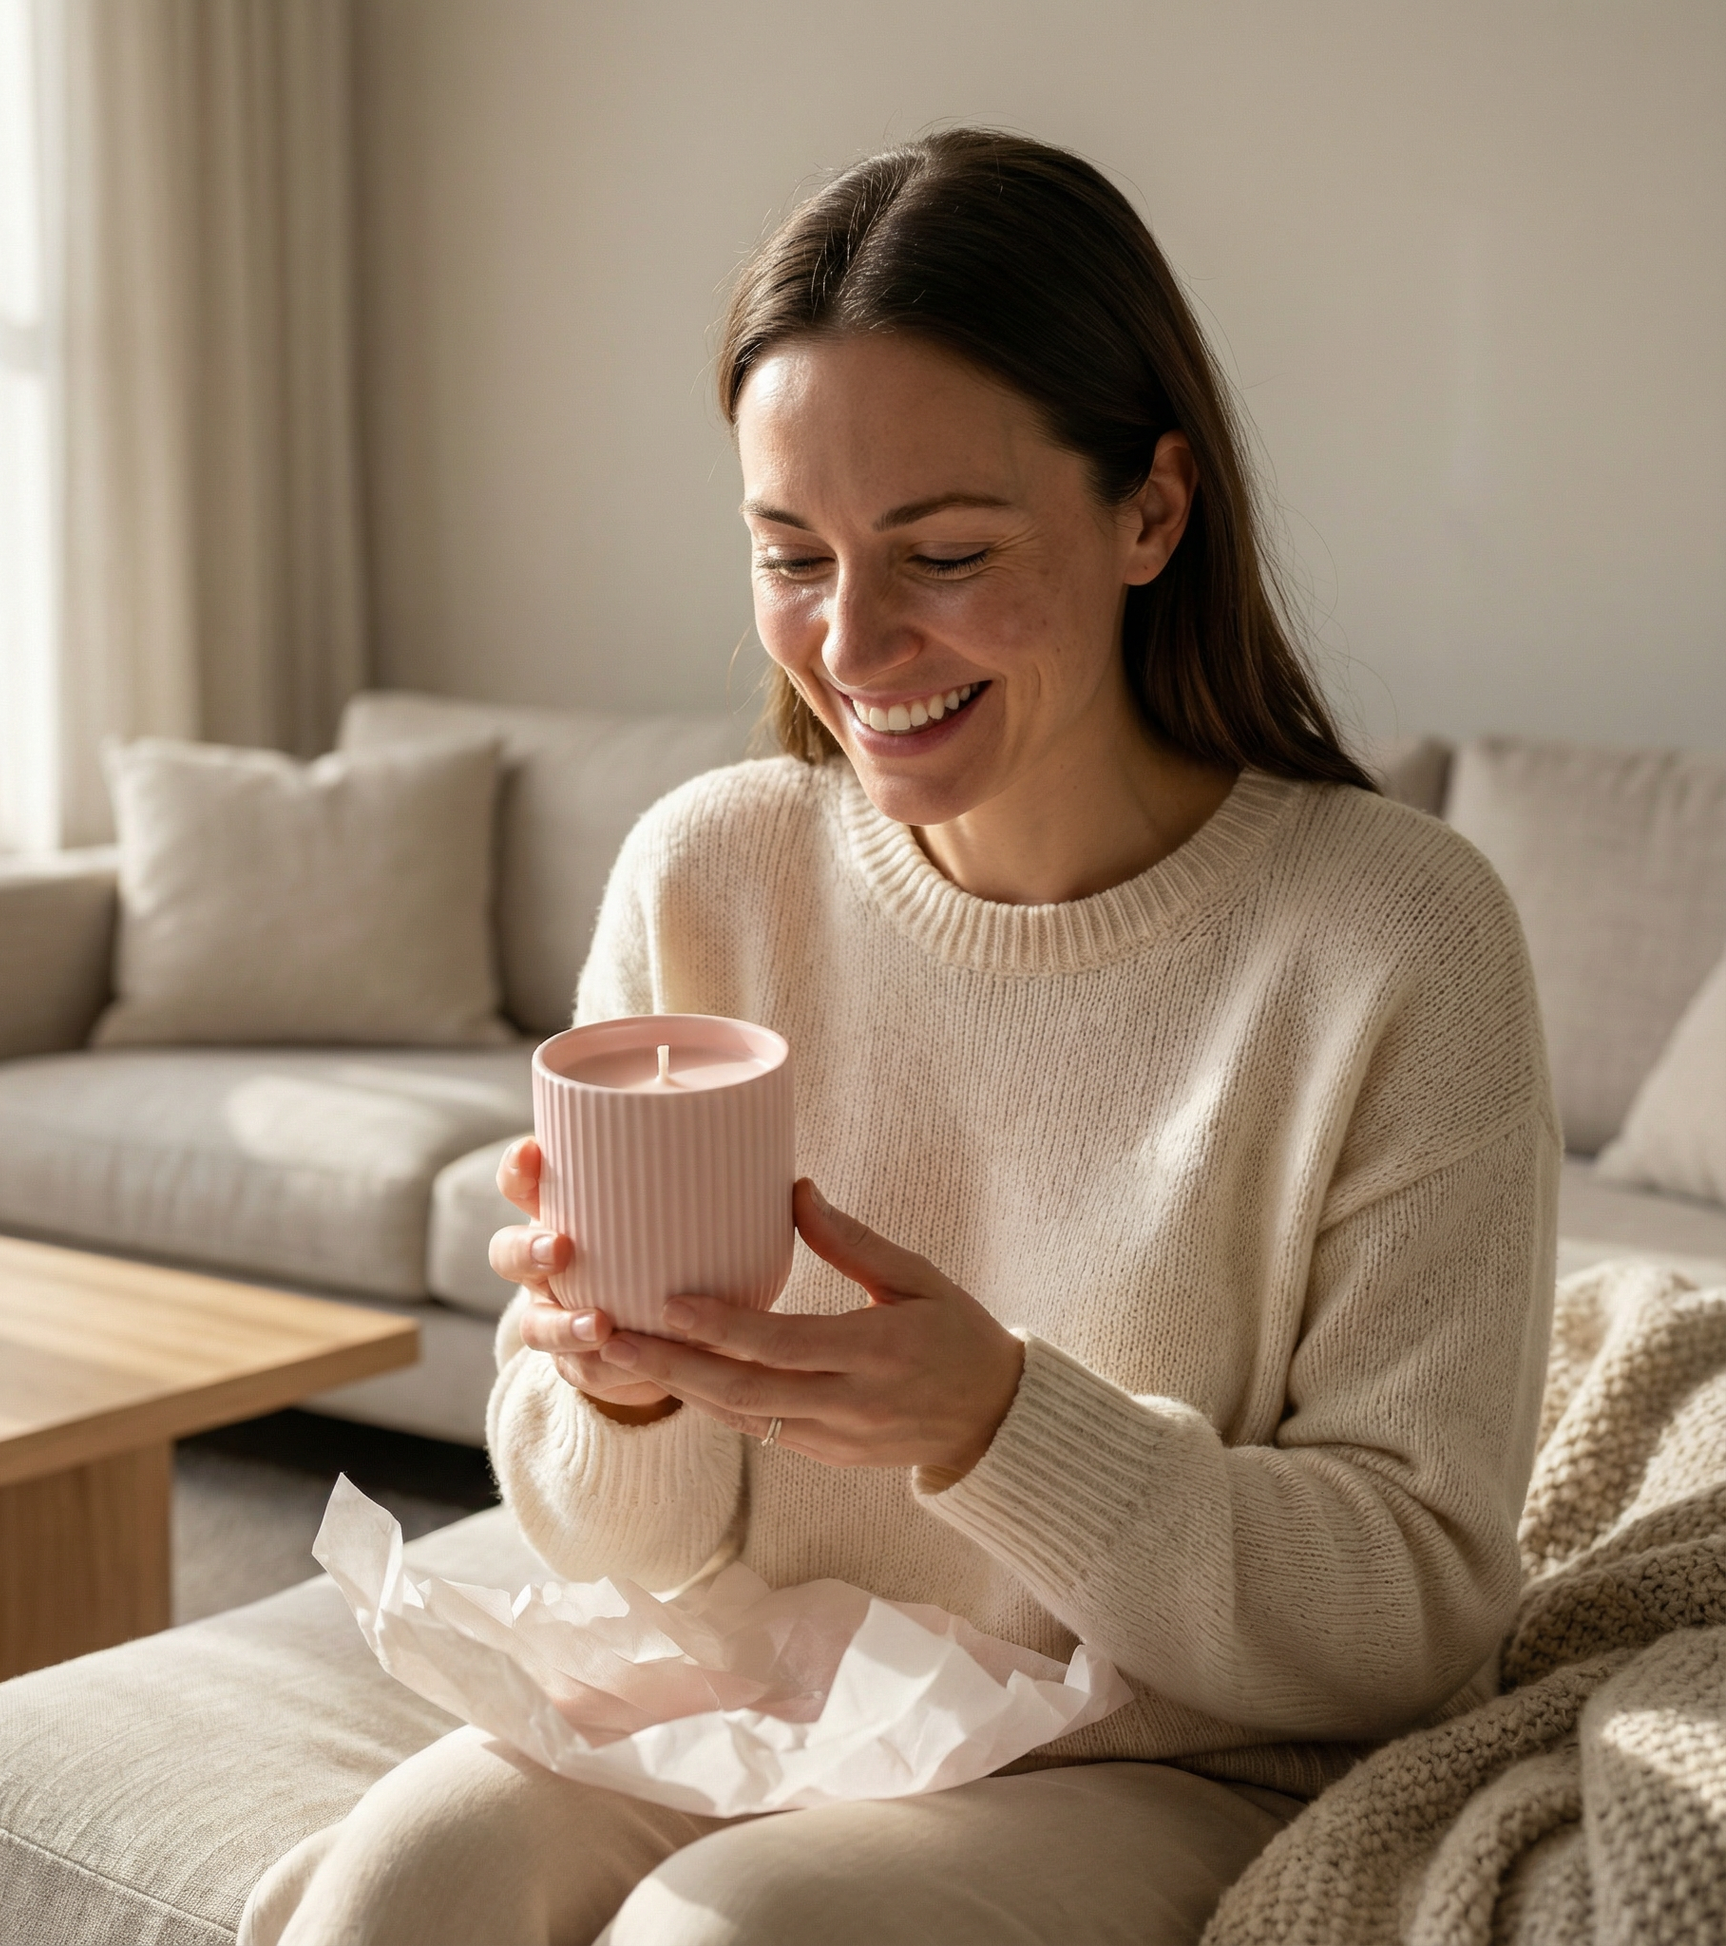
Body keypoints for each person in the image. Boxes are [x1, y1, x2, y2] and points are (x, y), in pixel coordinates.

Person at [241, 128, 1557, 1946]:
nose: (852, 644)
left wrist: (1000, 1420)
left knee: (729, 1932)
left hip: (1163, 1751)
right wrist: (614, 1388)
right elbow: (622, 1545)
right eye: (791, 555)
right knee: (398, 1886)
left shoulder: (1393, 940)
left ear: (1151, 511)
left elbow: (1410, 1605)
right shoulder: (710, 874)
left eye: (942, 553)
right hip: (769, 1679)